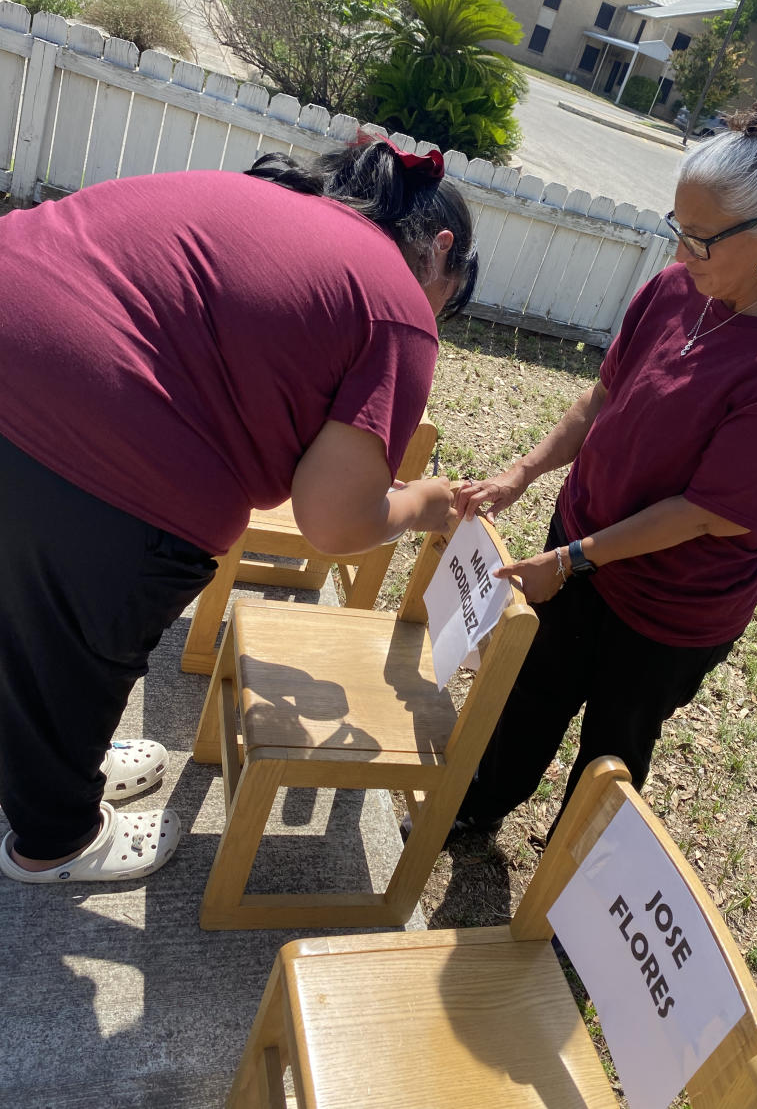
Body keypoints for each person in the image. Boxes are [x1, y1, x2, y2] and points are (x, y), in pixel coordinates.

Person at [0, 138, 477, 883]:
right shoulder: (399, 309)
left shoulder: (265, 200)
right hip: (102, 443)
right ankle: (55, 840)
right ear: (442, 250)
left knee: (26, 616)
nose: (438, 313)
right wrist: (424, 503)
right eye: (452, 294)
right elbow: (333, 520)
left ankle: (59, 758)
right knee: (84, 644)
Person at [453, 95, 757, 836]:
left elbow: (702, 512)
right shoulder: (676, 289)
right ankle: (478, 808)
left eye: (700, 241)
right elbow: (600, 398)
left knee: (615, 744)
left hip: (671, 604)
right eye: (678, 231)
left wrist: (570, 562)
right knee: (533, 690)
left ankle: (571, 881)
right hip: (580, 540)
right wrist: (523, 472)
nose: (678, 256)